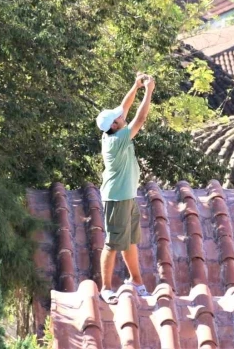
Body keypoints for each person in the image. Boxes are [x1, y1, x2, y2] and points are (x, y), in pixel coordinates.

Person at [95, 73, 155, 302]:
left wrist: (136, 86)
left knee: (129, 241)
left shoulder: (111, 130)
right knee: (112, 244)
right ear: (114, 125)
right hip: (116, 198)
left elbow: (123, 108)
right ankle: (106, 288)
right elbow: (139, 120)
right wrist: (149, 92)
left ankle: (136, 281)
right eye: (117, 118)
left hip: (127, 196)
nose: (121, 116)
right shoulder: (117, 139)